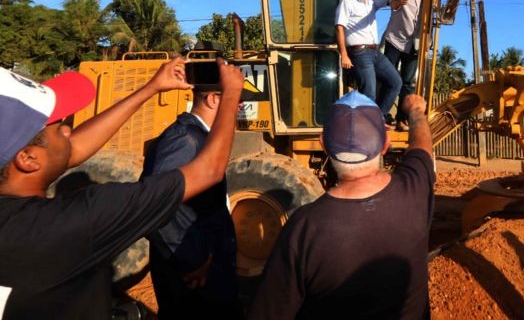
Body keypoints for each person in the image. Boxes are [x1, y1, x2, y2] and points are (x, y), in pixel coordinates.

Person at [0, 57, 244, 319]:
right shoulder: (80, 220)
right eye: (58, 128)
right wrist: (231, 94)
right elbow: (207, 171)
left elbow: (70, 151)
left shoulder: (21, 221)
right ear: (28, 159)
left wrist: (151, 88)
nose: (70, 132)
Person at [247, 91, 435, 319]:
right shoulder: (415, 189)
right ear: (385, 144)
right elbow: (422, 146)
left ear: (324, 144)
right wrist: (415, 111)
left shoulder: (304, 228)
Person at [141, 79, 240, 318]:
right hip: (193, 277)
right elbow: (155, 202)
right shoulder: (184, 139)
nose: (239, 110)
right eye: (236, 102)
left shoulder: (200, 138)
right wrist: (192, 260)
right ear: (214, 99)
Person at [335, 0, 402, 126]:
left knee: (395, 82)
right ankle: (367, 127)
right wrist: (343, 54)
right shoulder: (347, 1)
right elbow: (339, 27)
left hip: (375, 51)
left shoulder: (372, 1)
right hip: (359, 53)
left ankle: (379, 116)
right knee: (369, 93)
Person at [383, 0, 426, 132]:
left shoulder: (426, 0)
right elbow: (393, 4)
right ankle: (382, 116)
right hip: (394, 41)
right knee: (389, 79)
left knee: (407, 83)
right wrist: (401, 2)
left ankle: (402, 120)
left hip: (413, 46)